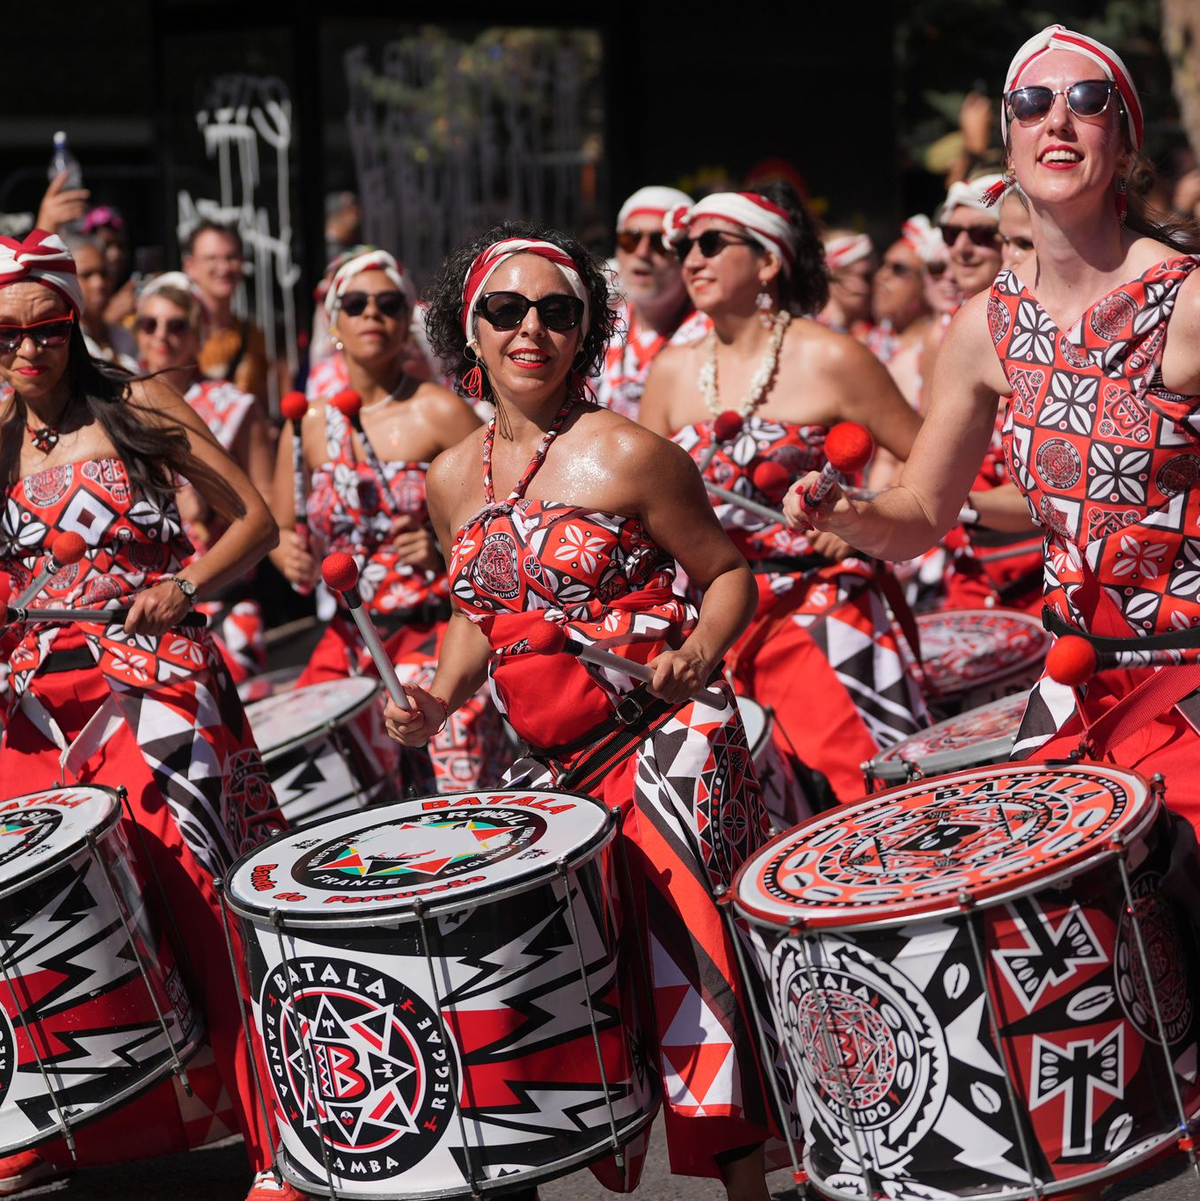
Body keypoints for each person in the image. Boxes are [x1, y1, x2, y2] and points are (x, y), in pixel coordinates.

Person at [384, 224, 781, 1198]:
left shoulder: (631, 454)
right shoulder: (449, 479)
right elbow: (478, 616)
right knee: (543, 1004)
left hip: (666, 749)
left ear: (586, 331)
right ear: (465, 331)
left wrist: (697, 650)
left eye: (558, 312)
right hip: (548, 772)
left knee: (698, 998)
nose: (532, 331)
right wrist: (437, 696)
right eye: (506, 311)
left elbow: (728, 574)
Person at [784, 24, 1200, 831]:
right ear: (1007, 150)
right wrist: (852, 515)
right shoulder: (985, 327)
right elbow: (922, 515)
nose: (1059, 120)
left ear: (1124, 145)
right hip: (1074, 688)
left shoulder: (1188, 303)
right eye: (1032, 104)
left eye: (1088, 101)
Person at [0, 230, 297, 1201]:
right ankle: (60, 1129)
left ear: (75, 321)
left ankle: (277, 1143)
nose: (29, 351)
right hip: (36, 705)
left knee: (202, 899)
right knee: (37, 915)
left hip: (156, 683)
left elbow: (252, 515)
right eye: (6, 336)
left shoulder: (138, 401)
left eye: (47, 328)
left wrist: (184, 583)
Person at [640, 188, 928, 804]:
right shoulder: (669, 372)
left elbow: (931, 462)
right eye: (684, 246)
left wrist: (858, 511)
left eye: (711, 243)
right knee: (756, 826)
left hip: (824, 616)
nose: (691, 258)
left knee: (869, 807)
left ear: (769, 260)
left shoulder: (831, 357)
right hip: (716, 629)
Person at [272, 247, 509, 791]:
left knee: (459, 796)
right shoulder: (309, 423)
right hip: (348, 642)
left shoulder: (439, 410)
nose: (372, 315)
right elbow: (283, 528)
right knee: (321, 791)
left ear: (408, 321)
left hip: (431, 632)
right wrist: (287, 552)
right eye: (356, 304)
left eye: (388, 304)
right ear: (334, 323)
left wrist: (443, 548)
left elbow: (503, 516)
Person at [136, 273, 274, 680]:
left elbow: (267, 507)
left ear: (198, 337)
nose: (163, 336)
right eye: (150, 324)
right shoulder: (117, 408)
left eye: (177, 326)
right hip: (147, 608)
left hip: (222, 596)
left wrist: (214, 510)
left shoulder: (234, 406)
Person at [596, 185, 710, 421]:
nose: (643, 252)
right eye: (631, 239)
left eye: (659, 243)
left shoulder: (710, 334)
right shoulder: (596, 327)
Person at [865, 216, 937, 489]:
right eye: (883, 265)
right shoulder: (864, 343)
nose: (882, 276)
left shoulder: (937, 349)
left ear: (926, 282)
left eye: (899, 270)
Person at [182, 221, 270, 405]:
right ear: (190, 266)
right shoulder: (176, 335)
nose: (224, 268)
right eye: (211, 258)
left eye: (231, 257)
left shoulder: (254, 336)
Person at [62, 233, 137, 370]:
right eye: (86, 275)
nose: (99, 284)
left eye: (104, 273)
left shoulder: (125, 337)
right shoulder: (62, 345)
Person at [816, 229, 874, 336]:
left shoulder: (877, 334)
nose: (866, 284)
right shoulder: (812, 329)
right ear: (830, 275)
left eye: (868, 276)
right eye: (846, 271)